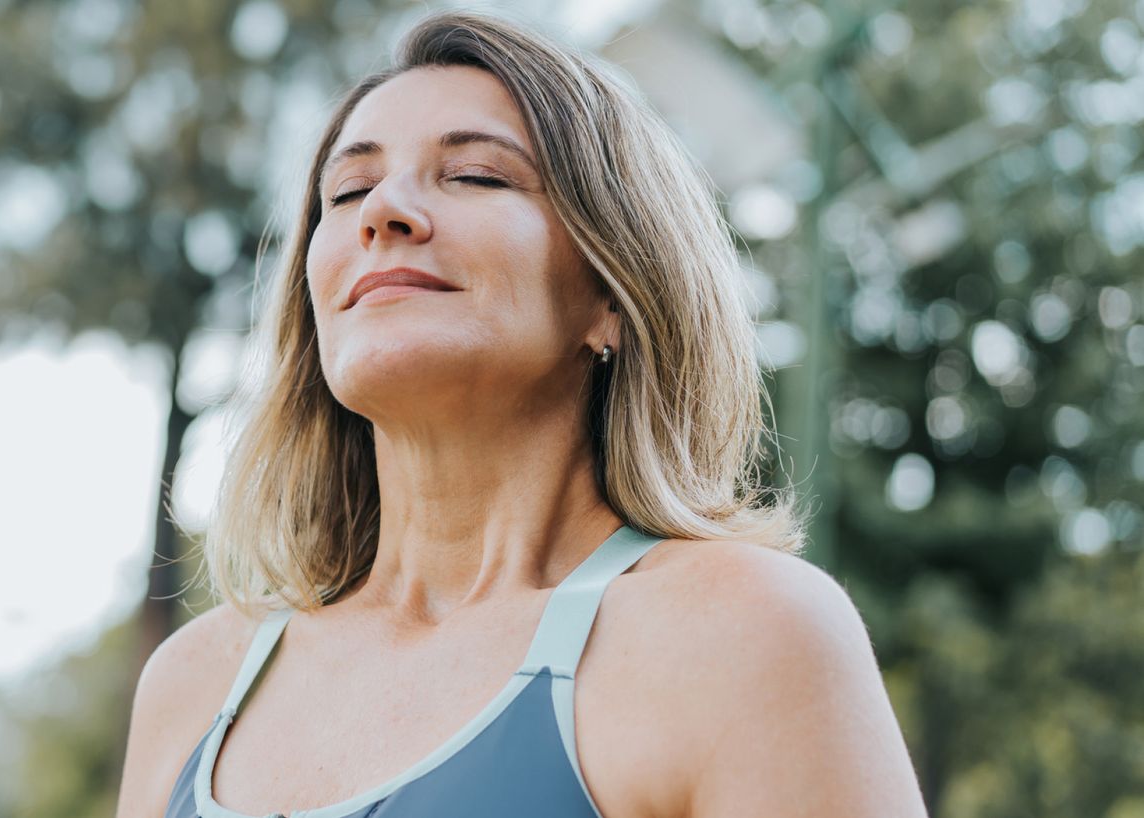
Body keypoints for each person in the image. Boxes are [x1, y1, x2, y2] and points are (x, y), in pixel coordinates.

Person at [117, 9, 927, 818]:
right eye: (349, 189)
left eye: (474, 175)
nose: (382, 212)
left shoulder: (745, 635)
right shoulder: (193, 684)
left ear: (613, 292)